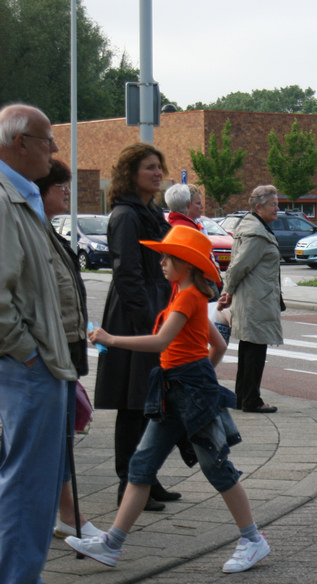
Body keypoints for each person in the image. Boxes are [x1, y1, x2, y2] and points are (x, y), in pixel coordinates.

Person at [66, 225, 271, 574]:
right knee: (141, 467)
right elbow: (218, 346)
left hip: (187, 393)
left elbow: (161, 342)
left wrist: (110, 339)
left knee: (216, 468)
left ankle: (253, 540)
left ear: (186, 264)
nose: (161, 262)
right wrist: (200, 375)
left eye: (167, 257)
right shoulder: (185, 295)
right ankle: (112, 545)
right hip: (175, 391)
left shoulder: (188, 298)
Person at [0, 103, 78, 584]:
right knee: (28, 489)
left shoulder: (21, 196)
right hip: (27, 366)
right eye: (47, 139)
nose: (54, 148)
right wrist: (27, 353)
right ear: (19, 143)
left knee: (31, 486)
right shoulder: (5, 200)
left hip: (35, 363)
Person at [93, 142, 179, 512]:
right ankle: (128, 485)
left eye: (159, 167)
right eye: (149, 168)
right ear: (131, 173)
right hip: (135, 312)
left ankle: (147, 478)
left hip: (155, 303)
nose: (157, 173)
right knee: (134, 403)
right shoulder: (126, 215)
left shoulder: (151, 212)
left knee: (151, 400)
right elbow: (126, 272)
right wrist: (149, 323)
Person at [34, 159, 103, 540]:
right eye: (61, 186)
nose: (68, 193)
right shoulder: (26, 229)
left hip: (60, 352)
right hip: (43, 355)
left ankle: (66, 515)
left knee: (59, 440)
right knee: (44, 443)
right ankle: (63, 516)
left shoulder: (46, 230)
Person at [217, 185, 283, 414]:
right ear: (258, 207)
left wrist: (229, 291)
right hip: (256, 299)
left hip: (253, 298)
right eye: (272, 205)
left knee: (249, 348)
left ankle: (242, 397)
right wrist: (227, 290)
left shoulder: (253, 228)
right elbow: (239, 266)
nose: (277, 209)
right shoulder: (257, 234)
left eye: (277, 204)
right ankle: (251, 399)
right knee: (255, 350)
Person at [164, 183, 221, 299]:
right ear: (188, 205)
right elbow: (203, 261)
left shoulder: (170, 226)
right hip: (194, 285)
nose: (202, 207)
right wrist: (217, 281)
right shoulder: (187, 229)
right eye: (198, 203)